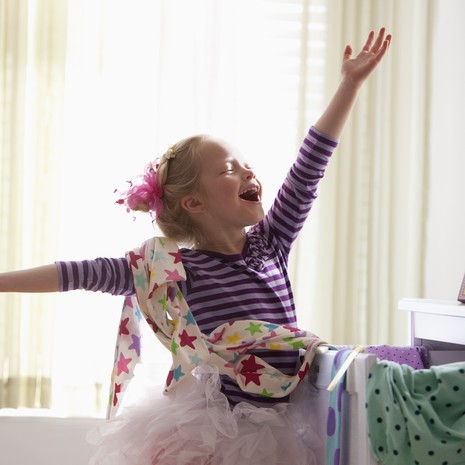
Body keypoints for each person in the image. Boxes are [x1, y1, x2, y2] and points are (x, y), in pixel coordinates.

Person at [0, 29, 391, 465]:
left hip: (283, 421)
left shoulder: (271, 244)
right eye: (229, 169)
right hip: (217, 432)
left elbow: (310, 166)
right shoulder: (173, 268)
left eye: (247, 165)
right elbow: (78, 273)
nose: (248, 173)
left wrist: (349, 85)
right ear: (194, 203)